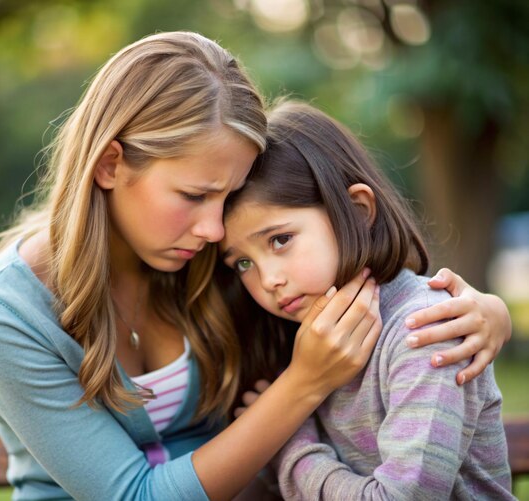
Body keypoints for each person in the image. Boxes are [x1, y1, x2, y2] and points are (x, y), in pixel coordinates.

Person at [0, 32, 510, 501]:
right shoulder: (5, 314)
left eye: (226, 198)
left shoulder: (209, 258)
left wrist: (487, 312)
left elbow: (331, 256)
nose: (216, 230)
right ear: (109, 164)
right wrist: (301, 388)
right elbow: (130, 494)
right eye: (195, 194)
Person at [219, 100, 513, 500]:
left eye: (280, 240)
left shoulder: (426, 333)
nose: (268, 279)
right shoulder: (304, 339)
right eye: (242, 263)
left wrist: (289, 441)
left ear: (358, 211)